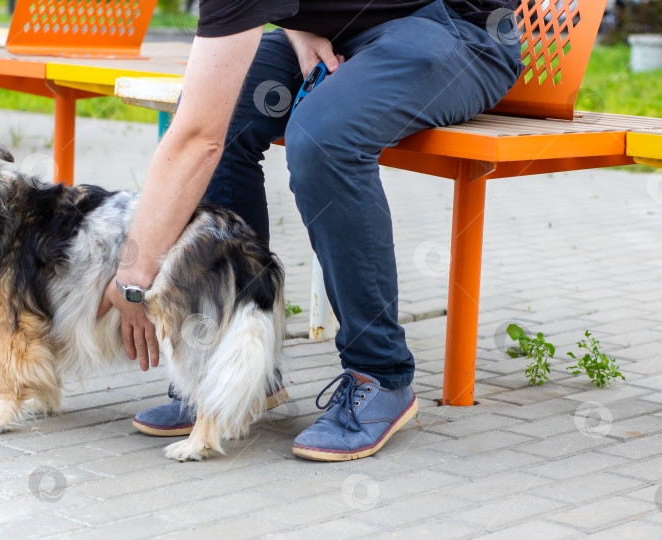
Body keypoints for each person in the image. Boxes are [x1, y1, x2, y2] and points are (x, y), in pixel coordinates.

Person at [98, 0, 523, 461]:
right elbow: (205, 120)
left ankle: (379, 373)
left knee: (324, 137)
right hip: (348, 36)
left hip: (457, 31)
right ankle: (241, 368)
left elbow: (197, 138)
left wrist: (133, 277)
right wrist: (298, 28)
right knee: (230, 111)